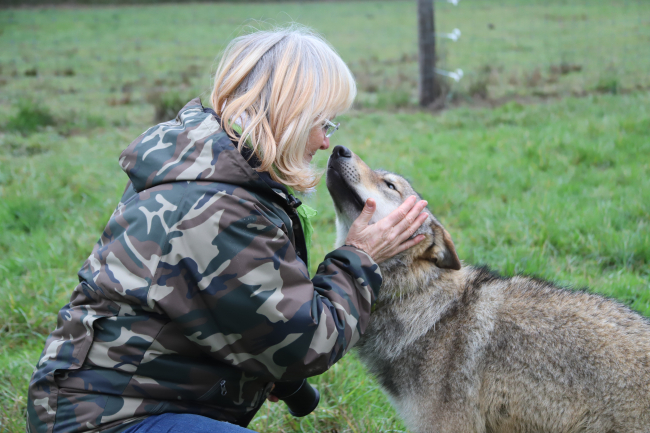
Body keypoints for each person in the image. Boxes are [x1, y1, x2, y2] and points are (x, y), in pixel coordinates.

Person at [27, 26, 428, 433]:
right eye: (324, 122)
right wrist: (359, 256)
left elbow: (209, 308)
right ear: (293, 113)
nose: (326, 141)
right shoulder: (218, 205)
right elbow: (304, 344)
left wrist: (253, 368)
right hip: (105, 420)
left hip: (106, 403)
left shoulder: (206, 167)